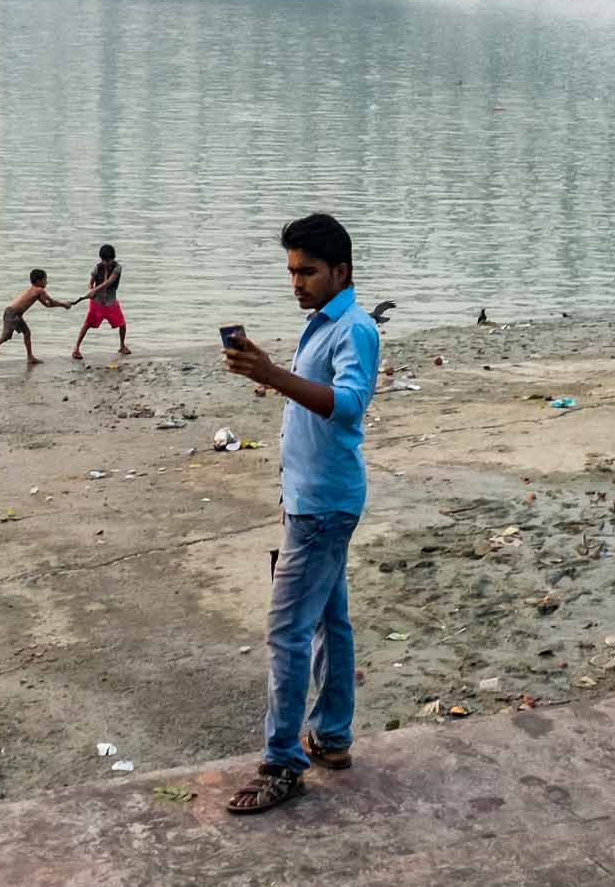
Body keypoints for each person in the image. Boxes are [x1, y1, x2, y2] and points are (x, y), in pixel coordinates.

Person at [221, 213, 380, 815]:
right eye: (291, 271)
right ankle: (332, 736)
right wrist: (273, 371)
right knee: (328, 622)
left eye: (308, 271)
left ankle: (283, 761)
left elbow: (349, 404)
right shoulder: (322, 323)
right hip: (310, 498)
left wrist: (273, 374)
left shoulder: (354, 329)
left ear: (342, 271)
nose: (297, 283)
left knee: (287, 631)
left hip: (323, 508)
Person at [0, 269, 73, 371]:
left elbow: (47, 305)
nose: (47, 282)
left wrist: (62, 305)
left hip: (13, 313)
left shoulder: (35, 290)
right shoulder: (39, 290)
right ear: (38, 281)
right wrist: (63, 304)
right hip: (12, 314)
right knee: (5, 337)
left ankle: (30, 357)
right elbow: (51, 301)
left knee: (27, 333)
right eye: (45, 280)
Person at [71, 244, 128, 359]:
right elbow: (90, 282)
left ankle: (122, 346)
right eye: (104, 260)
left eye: (108, 260)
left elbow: (109, 282)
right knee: (87, 325)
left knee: (122, 324)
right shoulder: (97, 268)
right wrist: (91, 290)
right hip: (97, 303)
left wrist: (95, 290)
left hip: (111, 302)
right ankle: (76, 349)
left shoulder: (117, 268)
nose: (106, 263)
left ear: (113, 258)